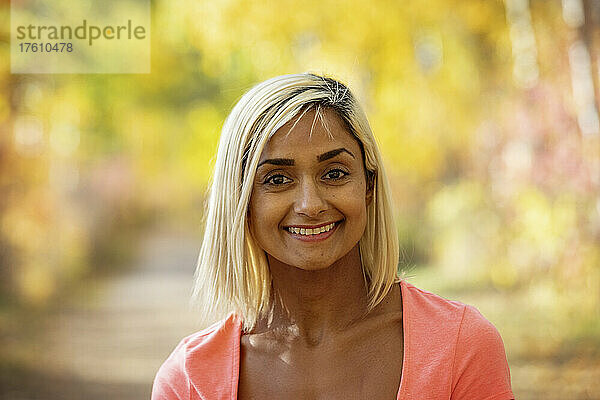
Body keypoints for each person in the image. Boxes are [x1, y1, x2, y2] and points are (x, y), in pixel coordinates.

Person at [151, 73, 515, 399]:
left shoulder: (460, 347)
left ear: (368, 186)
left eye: (335, 173)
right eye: (277, 179)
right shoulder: (188, 381)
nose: (310, 204)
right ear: (241, 202)